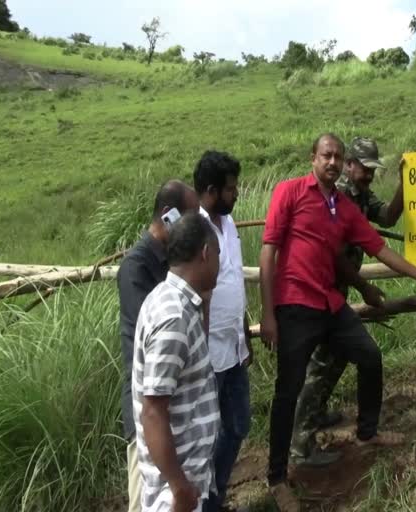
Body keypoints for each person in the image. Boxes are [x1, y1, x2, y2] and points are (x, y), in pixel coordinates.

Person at [260, 133, 416, 512]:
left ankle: (367, 432)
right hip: (296, 304)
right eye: (326, 155)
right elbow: (269, 250)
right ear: (314, 157)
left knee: (368, 355)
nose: (331, 162)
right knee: (288, 390)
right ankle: (278, 478)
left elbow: (378, 248)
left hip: (331, 302)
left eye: (337, 156)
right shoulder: (290, 192)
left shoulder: (344, 207)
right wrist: (268, 313)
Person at [290, 137, 404, 465]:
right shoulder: (336, 196)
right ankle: (302, 448)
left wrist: (406, 184)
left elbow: (388, 217)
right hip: (320, 293)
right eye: (364, 168)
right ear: (349, 164)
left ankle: (317, 420)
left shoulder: (361, 195)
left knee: (334, 361)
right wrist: (366, 288)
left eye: (372, 170)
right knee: (331, 364)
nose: (369, 175)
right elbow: (335, 253)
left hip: (335, 294)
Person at [117, 180, 199, 512]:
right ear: (168, 215)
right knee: (147, 498)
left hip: (172, 400)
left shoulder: (171, 260)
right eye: (190, 216)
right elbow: (155, 336)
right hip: (146, 405)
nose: (194, 225)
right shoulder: (136, 268)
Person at [132, 212, 222, 512]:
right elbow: (153, 413)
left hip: (190, 477)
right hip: (173, 496)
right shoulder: (173, 318)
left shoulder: (178, 301)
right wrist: (179, 487)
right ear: (206, 254)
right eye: (218, 254)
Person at [193, 151, 252, 512]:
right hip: (207, 355)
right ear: (212, 190)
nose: (236, 194)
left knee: (239, 425)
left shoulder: (227, 224)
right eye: (231, 189)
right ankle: (205, 503)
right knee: (206, 439)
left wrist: (244, 333)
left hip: (233, 346)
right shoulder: (192, 230)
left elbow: (232, 281)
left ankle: (216, 497)